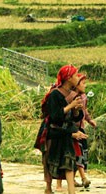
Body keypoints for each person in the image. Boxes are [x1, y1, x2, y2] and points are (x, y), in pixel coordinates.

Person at [39, 65, 84, 194]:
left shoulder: (74, 94)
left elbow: (76, 118)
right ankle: (48, 188)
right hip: (55, 132)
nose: (77, 78)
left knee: (69, 161)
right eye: (75, 75)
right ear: (68, 78)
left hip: (66, 133)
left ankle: (71, 191)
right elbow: (55, 116)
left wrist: (76, 110)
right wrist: (71, 106)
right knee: (50, 162)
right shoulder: (55, 95)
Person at [56, 73, 96, 191]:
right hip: (67, 129)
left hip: (79, 127)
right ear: (75, 84)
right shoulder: (68, 95)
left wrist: (89, 120)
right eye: (82, 82)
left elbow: (83, 111)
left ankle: (73, 180)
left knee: (78, 154)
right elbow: (60, 113)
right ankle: (61, 184)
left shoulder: (83, 97)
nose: (85, 85)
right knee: (66, 156)